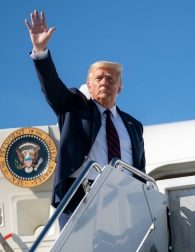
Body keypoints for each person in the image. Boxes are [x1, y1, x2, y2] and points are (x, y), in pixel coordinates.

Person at [25, 10, 146, 229]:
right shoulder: (73, 105)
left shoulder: (134, 126)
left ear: (120, 86)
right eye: (98, 78)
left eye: (111, 79)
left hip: (124, 201)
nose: (105, 82)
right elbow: (51, 84)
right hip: (81, 195)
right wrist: (40, 51)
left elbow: (140, 169)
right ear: (88, 85)